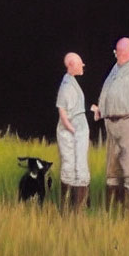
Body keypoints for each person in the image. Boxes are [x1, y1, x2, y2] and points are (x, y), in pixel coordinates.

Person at [92, 37, 129, 215]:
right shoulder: (114, 70)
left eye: (124, 51)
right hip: (111, 125)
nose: (120, 55)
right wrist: (100, 110)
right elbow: (106, 93)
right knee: (112, 172)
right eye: (118, 51)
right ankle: (113, 214)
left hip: (128, 124)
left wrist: (116, 110)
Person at [56, 52, 90, 211]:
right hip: (72, 134)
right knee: (73, 167)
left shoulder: (72, 83)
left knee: (78, 167)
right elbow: (62, 112)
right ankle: (72, 209)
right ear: (70, 65)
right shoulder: (67, 86)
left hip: (77, 132)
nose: (83, 65)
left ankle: (77, 210)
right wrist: (73, 130)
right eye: (79, 63)